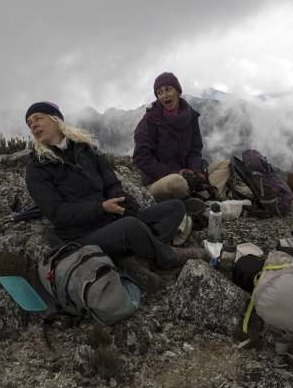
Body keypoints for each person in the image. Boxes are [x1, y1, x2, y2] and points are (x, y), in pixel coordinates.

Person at [24, 101, 202, 281]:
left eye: (38, 118)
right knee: (131, 226)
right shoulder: (37, 169)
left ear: (56, 120)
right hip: (81, 236)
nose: (34, 125)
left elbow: (111, 183)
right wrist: (101, 207)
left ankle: (140, 253)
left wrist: (125, 202)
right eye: (30, 123)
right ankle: (169, 257)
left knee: (175, 208)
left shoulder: (84, 149)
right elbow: (58, 214)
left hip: (110, 218)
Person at [133, 72, 210, 206]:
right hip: (160, 180)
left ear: (177, 91)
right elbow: (141, 157)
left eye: (168, 89)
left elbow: (195, 150)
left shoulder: (191, 117)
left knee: (226, 166)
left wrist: (196, 171)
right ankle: (199, 202)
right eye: (159, 92)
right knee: (177, 182)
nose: (164, 95)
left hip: (187, 174)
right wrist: (175, 173)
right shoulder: (150, 120)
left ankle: (198, 198)